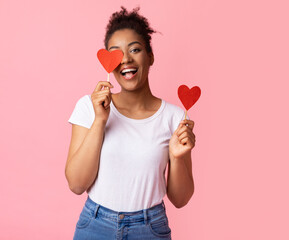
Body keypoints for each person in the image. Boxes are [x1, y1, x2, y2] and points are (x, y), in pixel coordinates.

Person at [65, 6, 196, 240]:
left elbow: (180, 199)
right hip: (95, 225)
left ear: (150, 56)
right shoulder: (89, 107)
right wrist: (99, 122)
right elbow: (76, 184)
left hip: (150, 228)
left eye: (135, 49)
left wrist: (176, 157)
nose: (125, 59)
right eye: (116, 53)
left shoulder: (175, 117)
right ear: (109, 63)